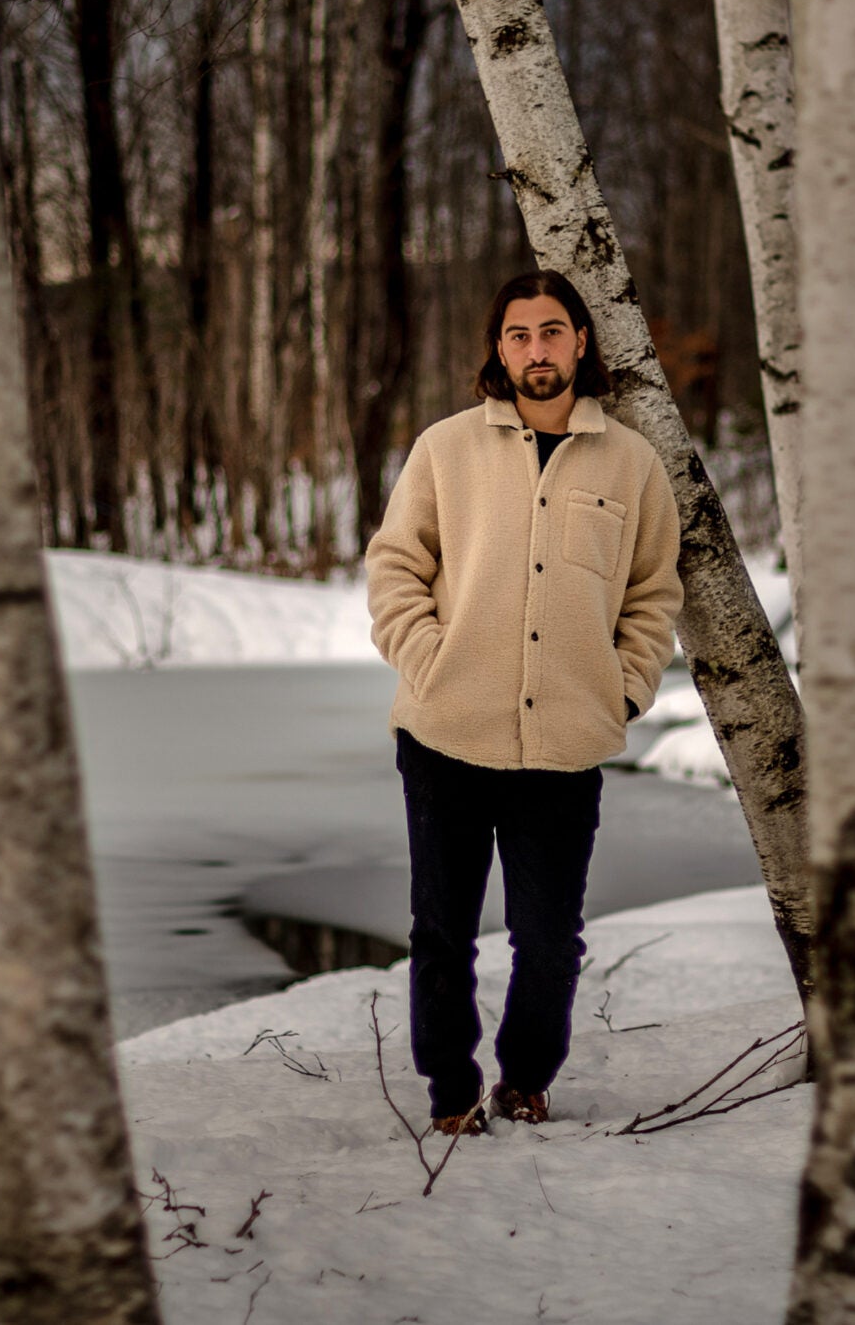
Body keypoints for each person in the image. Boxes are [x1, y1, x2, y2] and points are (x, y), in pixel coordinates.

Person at [365, 270, 683, 1134]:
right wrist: (430, 662)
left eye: (550, 331)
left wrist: (624, 688)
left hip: (565, 746)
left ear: (580, 340)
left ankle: (527, 1077)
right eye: (518, 334)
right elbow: (394, 569)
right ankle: (450, 1093)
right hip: (445, 736)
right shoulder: (445, 449)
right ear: (498, 349)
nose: (535, 350)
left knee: (549, 939)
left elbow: (653, 592)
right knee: (442, 931)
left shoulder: (631, 463)